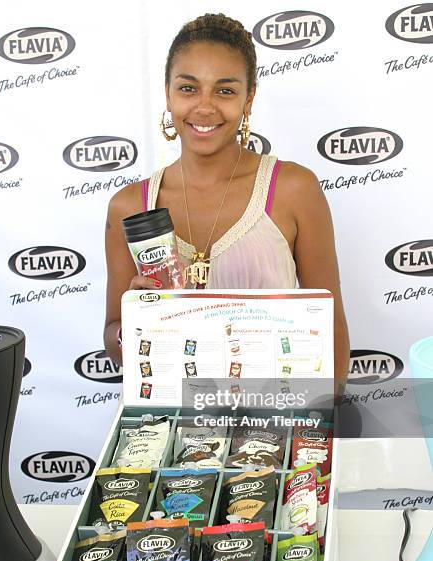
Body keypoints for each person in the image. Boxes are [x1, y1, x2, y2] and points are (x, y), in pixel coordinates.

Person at [104, 13, 350, 396]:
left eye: (224, 90)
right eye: (188, 88)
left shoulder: (293, 190)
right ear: (168, 93)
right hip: (170, 430)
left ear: (249, 98)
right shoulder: (129, 206)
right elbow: (113, 338)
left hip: (272, 432)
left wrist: (310, 432)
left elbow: (331, 330)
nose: (205, 107)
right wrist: (136, 324)